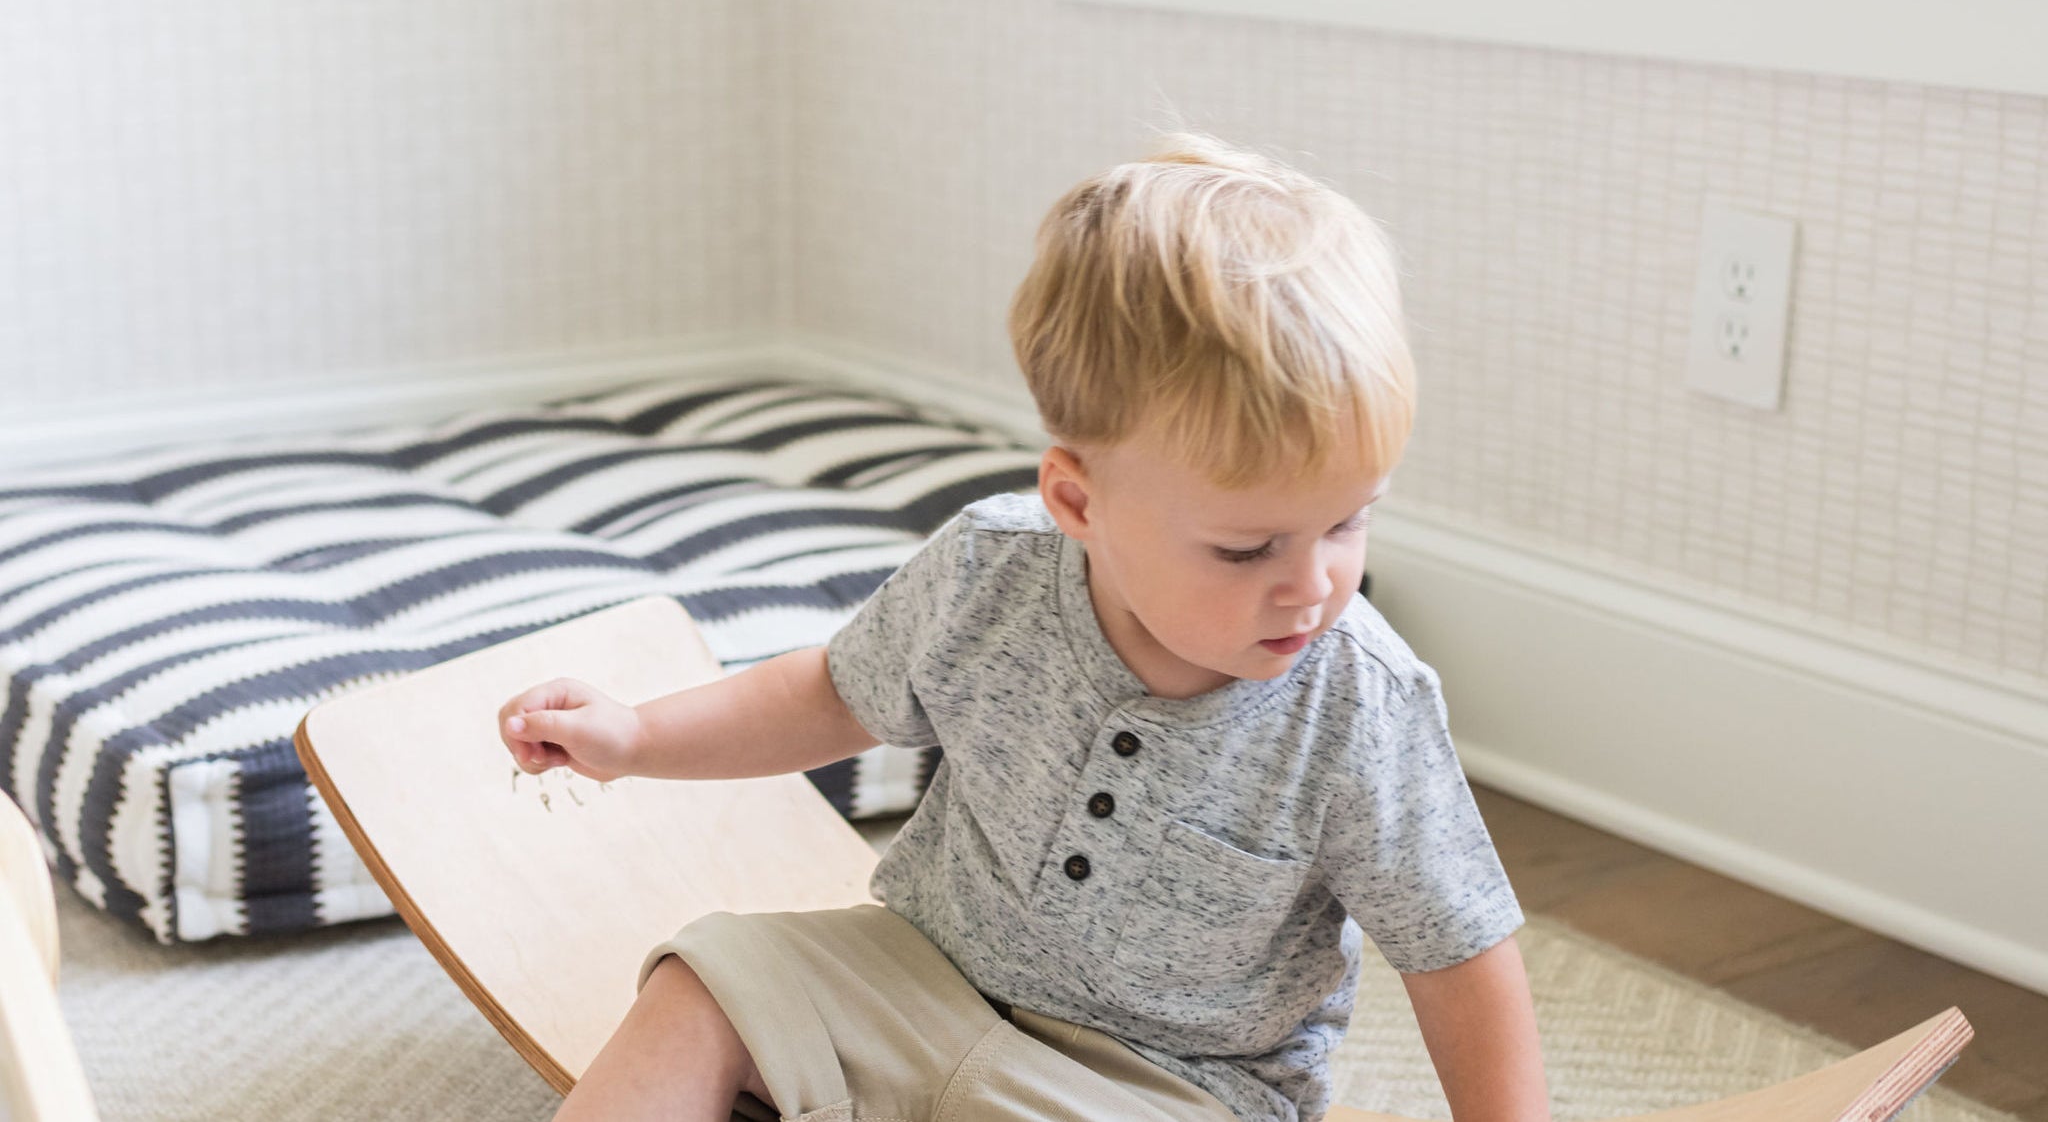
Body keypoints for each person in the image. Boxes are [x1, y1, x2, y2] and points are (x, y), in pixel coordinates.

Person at [497, 133, 1552, 1122]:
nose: (1311, 586)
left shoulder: (1362, 701)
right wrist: (637, 736)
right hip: (919, 981)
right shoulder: (984, 569)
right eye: (1246, 549)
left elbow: (1460, 955)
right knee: (708, 981)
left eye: (1347, 523)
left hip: (1168, 1086)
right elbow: (829, 694)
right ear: (1079, 503)